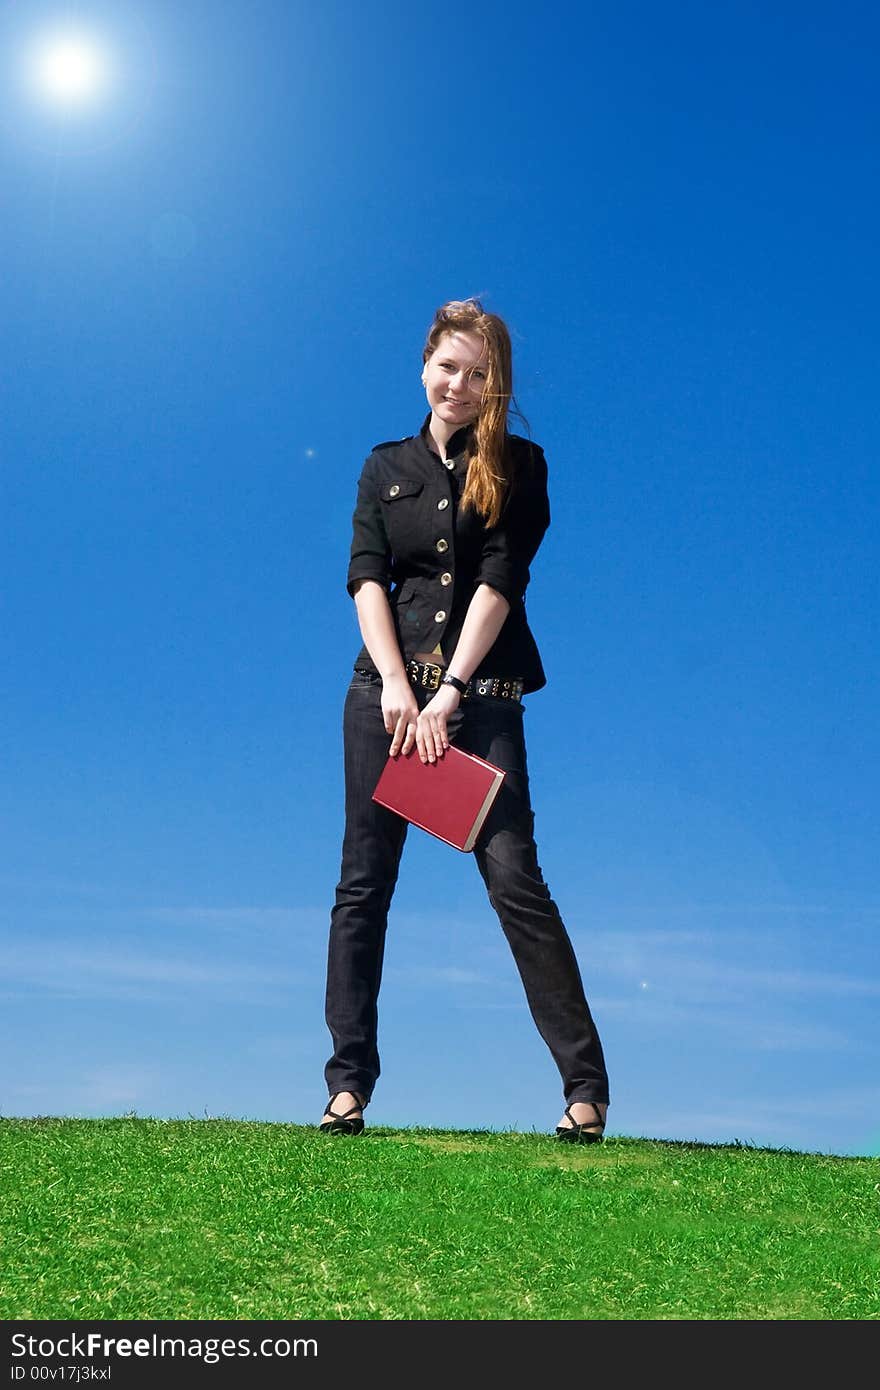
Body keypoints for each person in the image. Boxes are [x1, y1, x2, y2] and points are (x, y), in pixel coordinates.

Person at [320, 298, 609, 1144]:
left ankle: (585, 1087)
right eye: (449, 367)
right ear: (425, 367)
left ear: (497, 385)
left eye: (480, 374)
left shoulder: (521, 464)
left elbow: (499, 578)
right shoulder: (384, 467)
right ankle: (347, 1086)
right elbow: (366, 577)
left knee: (516, 880)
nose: (461, 384)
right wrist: (396, 690)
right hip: (385, 702)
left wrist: (446, 694)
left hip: (476, 705)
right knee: (362, 885)